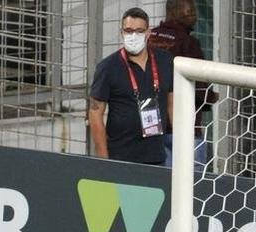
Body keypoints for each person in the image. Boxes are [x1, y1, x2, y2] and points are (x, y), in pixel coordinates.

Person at [88, 8, 175, 166]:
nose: (133, 36)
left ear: (148, 33)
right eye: (128, 31)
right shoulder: (108, 67)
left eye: (139, 31)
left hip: (157, 156)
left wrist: (182, 148)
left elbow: (173, 105)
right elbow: (95, 113)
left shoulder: (165, 61)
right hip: (120, 158)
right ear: (122, 32)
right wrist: (103, 160)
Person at [150, 0, 218, 173]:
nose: (194, 15)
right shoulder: (188, 43)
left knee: (162, 184)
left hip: (152, 128)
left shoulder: (149, 38)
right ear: (174, 11)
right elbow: (200, 86)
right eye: (190, 10)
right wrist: (211, 97)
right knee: (193, 188)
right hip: (186, 129)